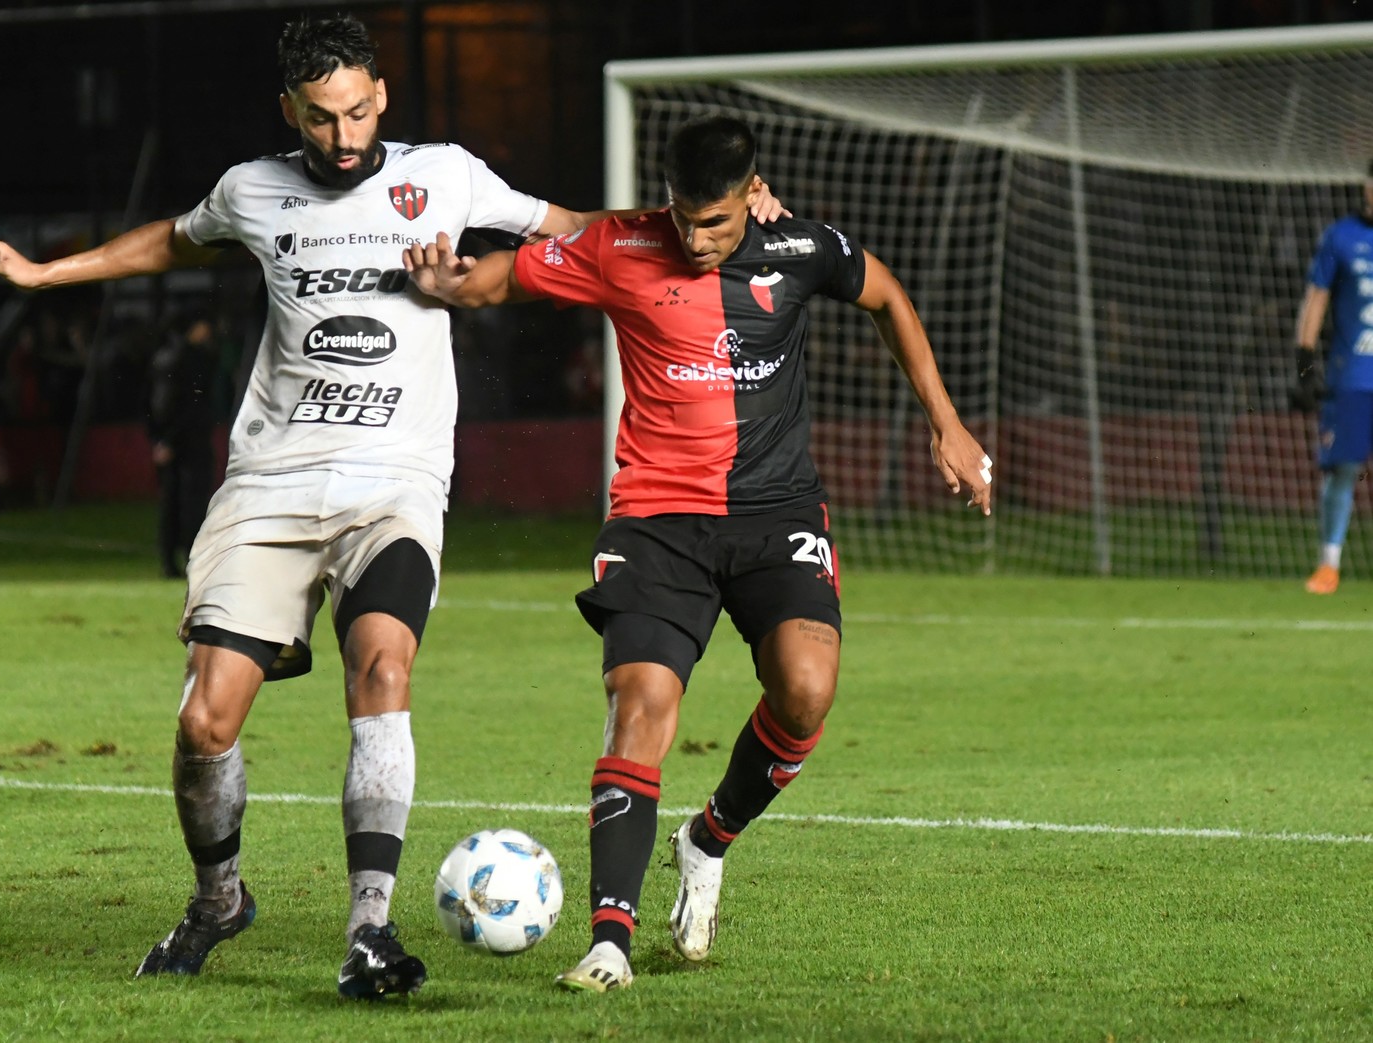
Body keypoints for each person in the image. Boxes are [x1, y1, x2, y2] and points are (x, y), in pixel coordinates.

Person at [0, 15, 782, 999]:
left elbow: (579, 229)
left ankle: (369, 931)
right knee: (206, 719)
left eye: (355, 112)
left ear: (380, 95)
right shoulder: (251, 189)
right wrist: (45, 271)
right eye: (319, 118)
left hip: (394, 481)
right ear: (288, 111)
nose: (342, 137)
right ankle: (218, 898)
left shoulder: (447, 175)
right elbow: (172, 240)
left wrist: (720, 208)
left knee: (382, 663)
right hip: (270, 484)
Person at [403, 115, 993, 993]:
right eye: (682, 216)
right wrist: (450, 282)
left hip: (776, 511)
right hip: (656, 519)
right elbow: (504, 278)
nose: (695, 237)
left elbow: (885, 296)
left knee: (806, 690)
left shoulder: (799, 247)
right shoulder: (620, 244)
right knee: (640, 703)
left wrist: (945, 422)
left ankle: (707, 839)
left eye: (713, 221)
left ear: (753, 194)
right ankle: (609, 939)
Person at [1290, 159, 1373, 595]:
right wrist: (1305, 367)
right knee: (1343, 470)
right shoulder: (1340, 237)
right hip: (1353, 377)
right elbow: (1315, 299)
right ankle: (1329, 565)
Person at [148, 311, 220, 578]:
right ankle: (190, 556)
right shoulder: (190, 359)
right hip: (188, 441)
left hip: (173, 441)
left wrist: (159, 439)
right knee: (191, 502)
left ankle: (170, 559)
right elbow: (182, 405)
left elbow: (154, 403)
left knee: (171, 502)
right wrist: (169, 438)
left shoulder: (164, 355)